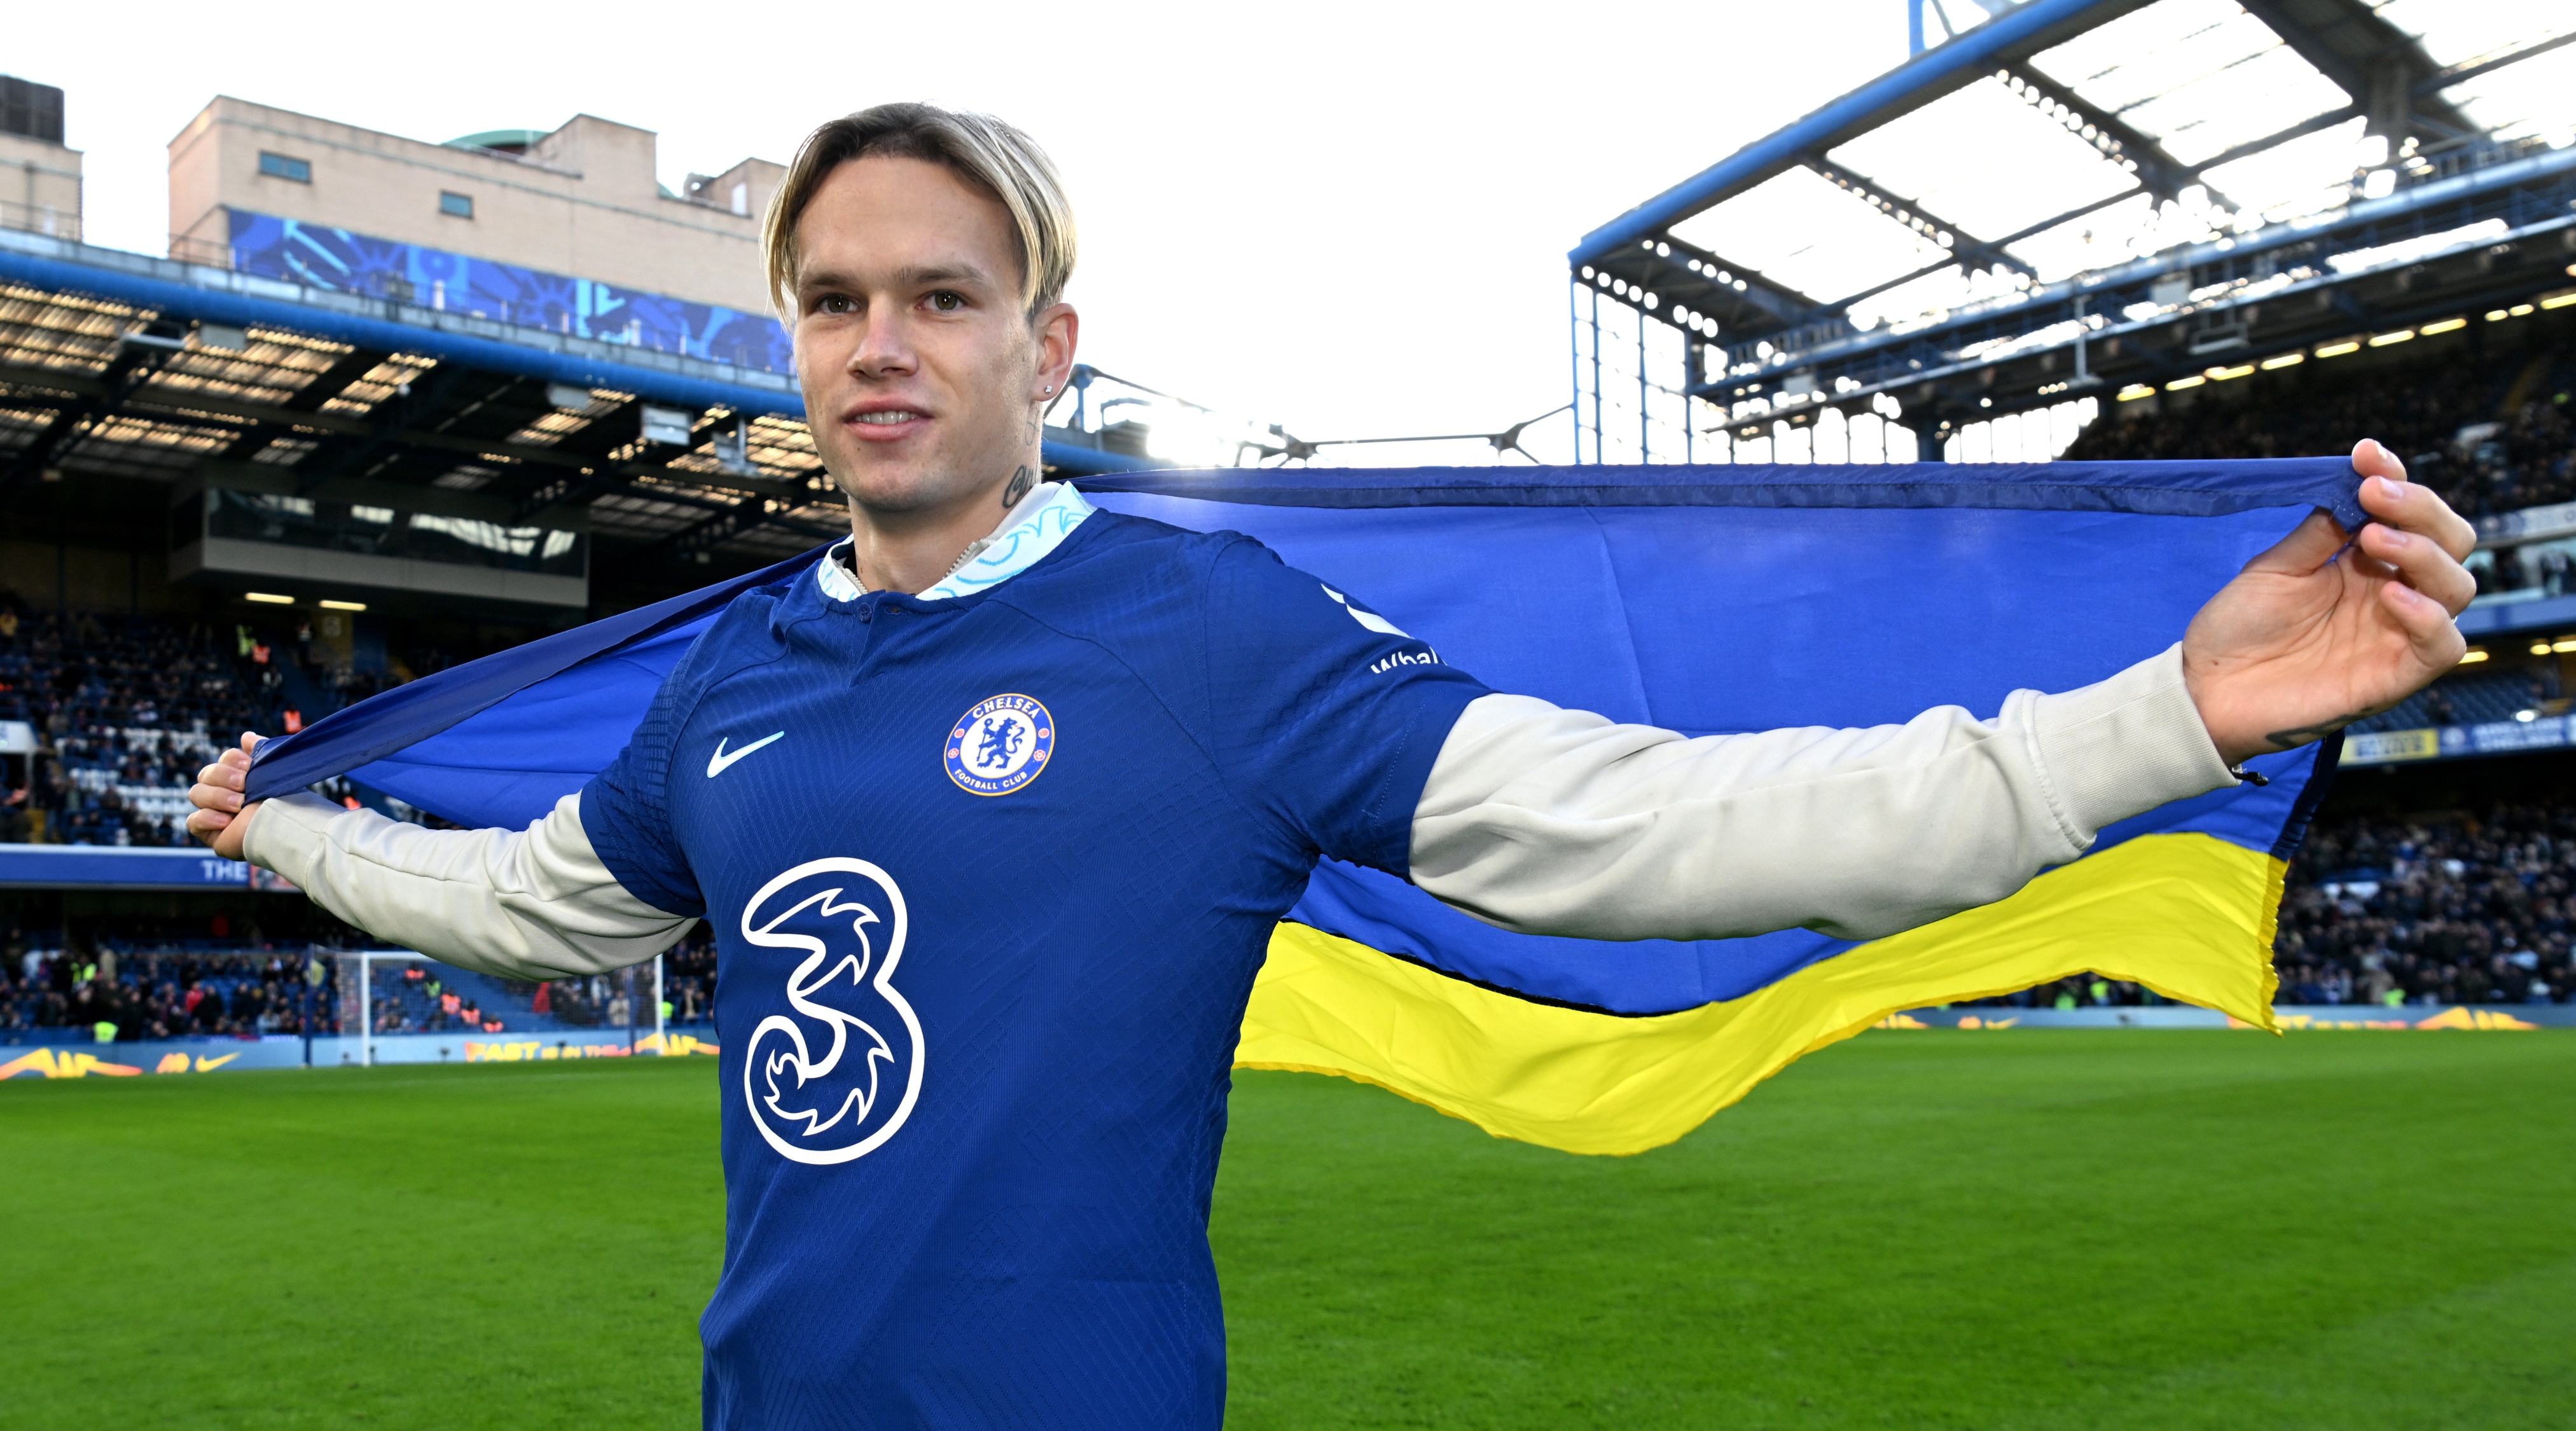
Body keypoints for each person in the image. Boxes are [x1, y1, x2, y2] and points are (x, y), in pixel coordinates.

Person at [189, 103, 2478, 1428]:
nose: (881, 345)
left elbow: (1664, 835)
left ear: (1045, 343)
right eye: (832, 299)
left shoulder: (1212, 634)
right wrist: (286, 832)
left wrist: (2165, 716)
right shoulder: (736, 682)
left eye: (942, 295)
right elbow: (534, 909)